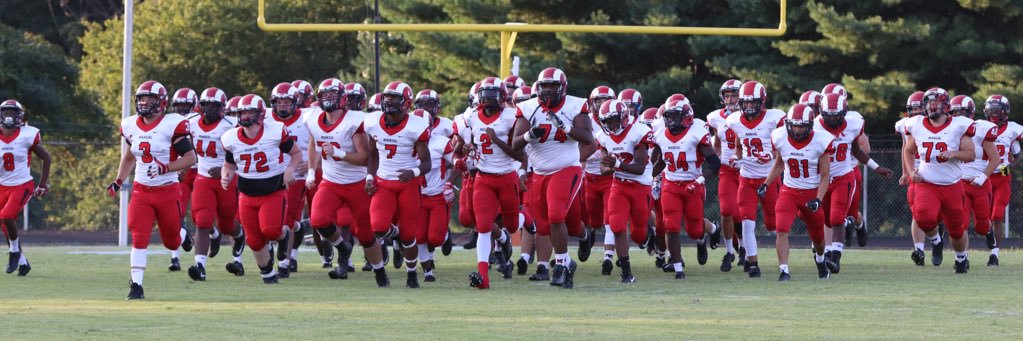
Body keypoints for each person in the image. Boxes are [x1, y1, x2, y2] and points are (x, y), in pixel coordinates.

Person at [109, 80, 196, 299]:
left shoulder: (173, 123)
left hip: (167, 189)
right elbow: (129, 157)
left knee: (171, 241)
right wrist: (118, 181)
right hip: (141, 190)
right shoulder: (130, 125)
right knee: (139, 236)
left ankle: (183, 234)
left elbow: (190, 158)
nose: (144, 103)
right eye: (141, 99)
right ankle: (136, 286)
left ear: (162, 102)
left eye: (149, 99)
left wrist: (166, 167)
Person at [512, 67, 594, 289]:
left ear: (563, 88)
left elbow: (588, 138)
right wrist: (530, 135)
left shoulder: (575, 105)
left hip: (567, 167)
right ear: (538, 88)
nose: (548, 91)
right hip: (539, 173)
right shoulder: (527, 107)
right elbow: (515, 143)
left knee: (557, 216)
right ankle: (567, 262)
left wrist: (566, 127)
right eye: (544, 86)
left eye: (553, 86)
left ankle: (559, 265)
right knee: (544, 224)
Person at [305, 78, 390, 287]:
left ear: (343, 98)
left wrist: (340, 153)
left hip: (357, 183)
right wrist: (310, 170)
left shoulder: (354, 121)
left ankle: (379, 271)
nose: (328, 100)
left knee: (365, 233)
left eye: (333, 96)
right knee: (318, 219)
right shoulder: (313, 118)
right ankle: (343, 248)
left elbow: (364, 158)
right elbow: (313, 143)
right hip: (330, 182)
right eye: (324, 96)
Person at [220, 94, 302, 284]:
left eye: (250, 111)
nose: (246, 115)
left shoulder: (275, 131)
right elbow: (229, 164)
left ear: (261, 114)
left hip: (273, 190)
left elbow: (296, 153)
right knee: (254, 241)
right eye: (243, 112)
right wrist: (226, 174)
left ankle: (284, 234)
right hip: (247, 194)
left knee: (271, 231)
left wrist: (290, 169)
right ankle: (268, 275)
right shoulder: (231, 137)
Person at [813, 92, 893, 274]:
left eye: (836, 115)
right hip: (822, 179)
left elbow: (856, 150)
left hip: (843, 176)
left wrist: (876, 167)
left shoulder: (854, 124)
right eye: (829, 115)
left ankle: (835, 257)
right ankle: (850, 232)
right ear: (821, 112)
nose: (832, 120)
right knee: (826, 219)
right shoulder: (815, 125)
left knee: (836, 218)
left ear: (844, 112)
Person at [364, 81, 432, 288]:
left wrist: (413, 171)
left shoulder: (416, 126)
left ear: (407, 103)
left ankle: (411, 273)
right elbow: (373, 154)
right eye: (387, 97)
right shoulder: (373, 121)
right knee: (377, 227)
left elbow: (427, 163)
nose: (389, 101)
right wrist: (369, 177)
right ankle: (395, 238)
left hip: (407, 184)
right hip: (383, 182)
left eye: (395, 98)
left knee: (409, 235)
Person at [902, 88, 977, 274]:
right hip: (927, 183)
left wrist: (954, 153)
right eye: (928, 103)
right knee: (922, 217)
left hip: (952, 185)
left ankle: (961, 259)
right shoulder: (917, 124)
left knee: (957, 229)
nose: (931, 106)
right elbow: (908, 150)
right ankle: (936, 241)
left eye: (935, 102)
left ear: (946, 105)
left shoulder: (959, 125)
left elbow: (971, 154)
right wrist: (911, 172)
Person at [463, 77, 525, 289]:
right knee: (482, 227)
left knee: (512, 225)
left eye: (493, 95)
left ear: (503, 97)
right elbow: (470, 143)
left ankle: (525, 221)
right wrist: (467, 150)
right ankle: (483, 277)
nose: (488, 100)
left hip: (507, 176)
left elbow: (519, 155)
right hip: (483, 178)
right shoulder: (472, 117)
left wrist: (496, 140)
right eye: (485, 95)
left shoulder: (511, 117)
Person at [761, 104, 834, 280]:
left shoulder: (821, 140)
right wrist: (766, 183)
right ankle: (784, 270)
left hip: (811, 192)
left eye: (801, 126)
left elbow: (825, 175)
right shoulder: (779, 137)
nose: (797, 129)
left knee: (818, 237)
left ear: (809, 125)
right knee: (781, 228)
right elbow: (779, 164)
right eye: (794, 125)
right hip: (789, 191)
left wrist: (818, 199)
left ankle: (820, 259)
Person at [651, 99, 720, 280]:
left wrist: (699, 180)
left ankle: (712, 228)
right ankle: (678, 266)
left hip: (693, 185)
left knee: (695, 231)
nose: (670, 120)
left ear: (686, 117)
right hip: (670, 185)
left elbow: (715, 163)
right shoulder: (659, 134)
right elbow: (659, 162)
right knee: (670, 225)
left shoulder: (697, 133)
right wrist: (649, 177)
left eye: (674, 116)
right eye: (668, 116)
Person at [724, 81, 786, 278]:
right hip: (747, 178)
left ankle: (782, 261)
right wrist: (736, 157)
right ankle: (753, 263)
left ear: (762, 102)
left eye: (753, 103)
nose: (749, 107)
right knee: (747, 221)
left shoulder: (774, 119)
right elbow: (739, 146)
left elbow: (784, 149)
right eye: (746, 103)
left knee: (773, 223)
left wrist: (771, 156)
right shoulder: (735, 121)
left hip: (769, 178)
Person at [185, 87, 245, 281]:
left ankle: (240, 235)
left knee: (227, 225)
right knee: (202, 221)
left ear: (222, 108)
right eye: (206, 105)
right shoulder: (191, 122)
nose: (209, 109)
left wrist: (227, 168)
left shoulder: (231, 125)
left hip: (226, 179)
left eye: (214, 105)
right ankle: (200, 266)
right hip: (203, 177)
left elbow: (245, 152)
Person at [0, 99, 51, 277]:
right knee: (5, 224)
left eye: (12, 113)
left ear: (19, 116)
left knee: (6, 216)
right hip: (2, 185)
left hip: (22, 184)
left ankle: (14, 251)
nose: (8, 116)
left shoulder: (27, 135)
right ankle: (22, 262)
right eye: (5, 112)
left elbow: (46, 158)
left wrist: (43, 183)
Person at [950, 95, 1000, 267]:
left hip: (980, 183)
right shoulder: (948, 130)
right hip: (960, 183)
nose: (958, 116)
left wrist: (983, 176)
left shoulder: (981, 129)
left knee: (981, 225)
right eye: (955, 112)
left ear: (970, 113)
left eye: (962, 112)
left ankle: (988, 232)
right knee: (960, 224)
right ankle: (962, 258)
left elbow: (996, 159)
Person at [267, 83, 310, 276]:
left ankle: (284, 262)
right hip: (270, 175)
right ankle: (299, 228)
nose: (283, 106)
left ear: (295, 103)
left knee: (286, 219)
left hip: (297, 175)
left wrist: (311, 164)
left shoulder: (308, 118)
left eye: (287, 102)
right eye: (279, 102)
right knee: (271, 220)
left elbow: (321, 143)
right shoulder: (265, 118)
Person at [409, 109, 455, 283]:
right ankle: (428, 271)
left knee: (434, 238)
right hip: (416, 196)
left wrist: (449, 182)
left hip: (437, 196)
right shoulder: (405, 144)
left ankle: (444, 234)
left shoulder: (441, 142)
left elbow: (456, 162)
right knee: (419, 236)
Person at [706, 79, 743, 272]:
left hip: (748, 170)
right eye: (727, 95)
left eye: (734, 94)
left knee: (744, 213)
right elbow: (718, 142)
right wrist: (716, 157)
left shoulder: (752, 117)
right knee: (727, 210)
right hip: (727, 169)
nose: (730, 99)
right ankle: (730, 251)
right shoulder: (714, 118)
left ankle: (744, 248)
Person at [981, 95, 1021, 266]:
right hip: (985, 176)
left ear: (1005, 112)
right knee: (984, 217)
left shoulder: (1013, 129)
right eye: (992, 111)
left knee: (997, 215)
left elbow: (1018, 155)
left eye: (997, 111)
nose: (995, 115)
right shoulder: (980, 127)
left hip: (1003, 175)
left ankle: (994, 254)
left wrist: (1007, 168)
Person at [583, 86, 616, 275]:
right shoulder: (585, 119)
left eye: (606, 100)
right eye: (599, 101)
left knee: (609, 218)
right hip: (590, 176)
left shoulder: (617, 119)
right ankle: (590, 234)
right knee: (593, 219)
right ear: (592, 103)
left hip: (610, 176)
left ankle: (608, 257)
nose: (603, 105)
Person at [896, 91, 931, 265]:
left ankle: (936, 238)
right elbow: (905, 147)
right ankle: (919, 250)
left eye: (919, 109)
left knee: (936, 215)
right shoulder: (905, 125)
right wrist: (905, 172)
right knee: (917, 212)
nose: (916, 113)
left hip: (934, 172)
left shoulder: (938, 124)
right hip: (915, 172)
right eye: (913, 109)